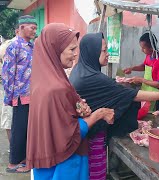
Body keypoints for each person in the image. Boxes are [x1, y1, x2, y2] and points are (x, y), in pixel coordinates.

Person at [69, 32, 159, 180]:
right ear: (92, 51)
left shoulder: (81, 70)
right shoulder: (92, 77)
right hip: (92, 134)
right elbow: (129, 94)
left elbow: (156, 83)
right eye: (104, 50)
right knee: (95, 172)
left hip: (86, 132)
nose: (107, 53)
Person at [26, 23, 115, 180]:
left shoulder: (42, 80)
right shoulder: (57, 88)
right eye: (71, 50)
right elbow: (67, 134)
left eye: (76, 49)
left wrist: (77, 107)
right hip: (64, 165)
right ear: (55, 49)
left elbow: (54, 121)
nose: (75, 55)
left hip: (45, 160)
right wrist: (99, 114)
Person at [2, 15, 37, 173]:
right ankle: (13, 162)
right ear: (22, 27)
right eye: (32, 28)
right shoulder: (13, 46)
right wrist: (9, 97)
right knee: (19, 128)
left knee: (27, 128)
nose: (35, 31)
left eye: (35, 28)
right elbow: (8, 73)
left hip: (32, 95)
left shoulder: (31, 46)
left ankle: (23, 158)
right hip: (20, 95)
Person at [123, 32, 159, 111]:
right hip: (145, 92)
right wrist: (132, 68)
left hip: (154, 95)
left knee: (150, 117)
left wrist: (141, 80)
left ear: (151, 47)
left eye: (143, 48)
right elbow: (144, 66)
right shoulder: (149, 56)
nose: (142, 50)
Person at [0, 24, 19, 147]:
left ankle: (16, 149)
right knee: (9, 119)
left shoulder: (30, 46)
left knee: (12, 120)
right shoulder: (8, 45)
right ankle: (13, 150)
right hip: (9, 89)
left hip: (22, 91)